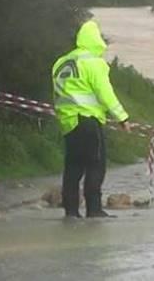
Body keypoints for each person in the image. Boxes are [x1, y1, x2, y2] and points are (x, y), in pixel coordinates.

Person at [52, 20, 130, 219]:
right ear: (96, 39)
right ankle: (94, 209)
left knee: (73, 167)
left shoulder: (61, 62)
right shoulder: (94, 62)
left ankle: (71, 211)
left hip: (68, 122)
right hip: (88, 119)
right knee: (96, 165)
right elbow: (105, 93)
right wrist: (122, 117)